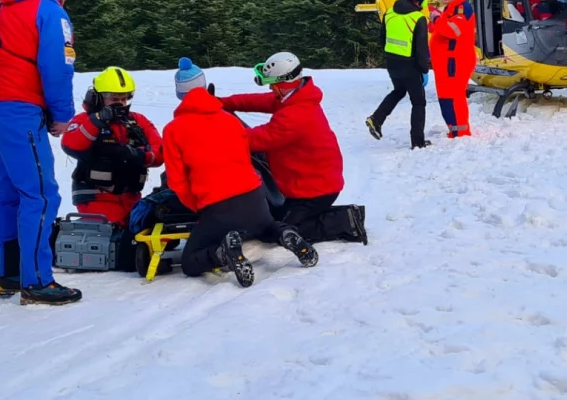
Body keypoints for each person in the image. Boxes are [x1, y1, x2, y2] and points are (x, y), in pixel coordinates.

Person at [0, 0, 82, 306]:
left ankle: (11, 274)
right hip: (18, 113)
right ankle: (36, 282)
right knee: (39, 194)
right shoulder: (52, 13)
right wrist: (61, 116)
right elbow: (58, 69)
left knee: (7, 194)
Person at [162, 58, 318, 287]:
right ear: (206, 88)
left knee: (189, 261)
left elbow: (177, 182)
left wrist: (199, 207)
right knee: (265, 226)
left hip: (217, 209)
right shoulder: (230, 120)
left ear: (179, 94)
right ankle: (283, 233)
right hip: (255, 200)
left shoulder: (173, 130)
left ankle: (223, 253)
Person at [217, 52, 365, 244]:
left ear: (284, 82)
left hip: (315, 190)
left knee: (278, 230)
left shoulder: (297, 114)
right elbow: (257, 100)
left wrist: (215, 139)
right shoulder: (295, 96)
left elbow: (255, 139)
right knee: (276, 217)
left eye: (272, 83)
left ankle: (347, 220)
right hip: (308, 182)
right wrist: (222, 102)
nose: (270, 87)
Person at [60, 66, 163, 230]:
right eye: (114, 99)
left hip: (131, 197)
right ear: (99, 98)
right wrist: (96, 122)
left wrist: (140, 156)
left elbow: (160, 151)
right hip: (95, 197)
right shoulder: (84, 120)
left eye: (124, 98)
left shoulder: (137, 121)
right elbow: (70, 145)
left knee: (148, 233)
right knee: (116, 239)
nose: (120, 103)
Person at [366, 0, 432, 149]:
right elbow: (421, 49)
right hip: (410, 66)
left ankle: (376, 119)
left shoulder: (389, 13)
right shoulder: (418, 18)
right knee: (418, 102)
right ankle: (417, 142)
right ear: (422, 1)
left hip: (392, 62)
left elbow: (382, 39)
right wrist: (424, 69)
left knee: (398, 91)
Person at [429, 0, 477, 138]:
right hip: (445, 63)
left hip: (457, 62)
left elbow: (452, 31)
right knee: (445, 97)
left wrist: (436, 18)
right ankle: (453, 129)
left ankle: (461, 132)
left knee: (455, 96)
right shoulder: (449, 9)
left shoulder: (463, 8)